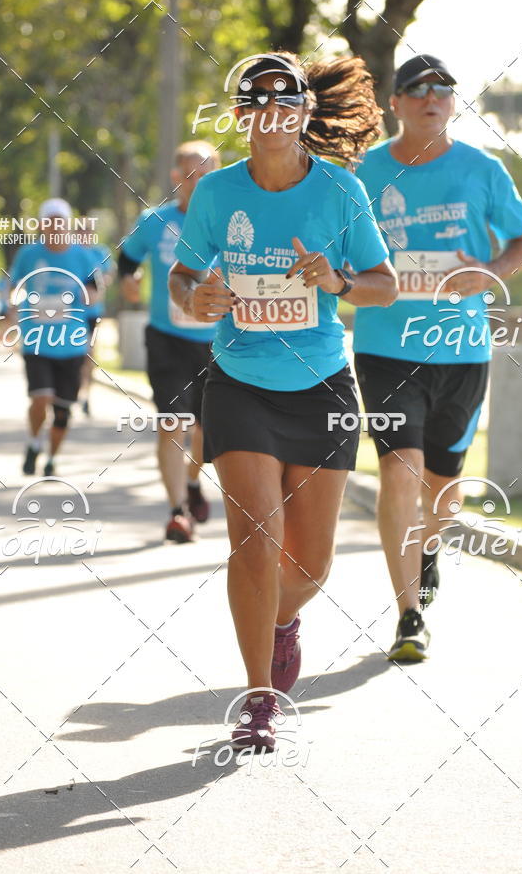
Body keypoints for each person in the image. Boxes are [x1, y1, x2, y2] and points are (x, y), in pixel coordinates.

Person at [170, 52, 397, 749]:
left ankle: (281, 622)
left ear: (303, 111)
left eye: (286, 96)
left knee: (309, 566)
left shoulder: (339, 191)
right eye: (257, 98)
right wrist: (197, 296)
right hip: (239, 381)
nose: (272, 108)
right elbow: (183, 279)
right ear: (240, 115)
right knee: (256, 546)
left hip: (324, 386)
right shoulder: (215, 193)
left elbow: (384, 284)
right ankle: (259, 697)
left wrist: (336, 280)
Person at [352, 54, 522, 661]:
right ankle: (409, 615)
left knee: (442, 485)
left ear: (453, 103)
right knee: (400, 470)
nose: (433, 98)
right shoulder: (364, 173)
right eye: (418, 89)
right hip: (384, 348)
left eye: (444, 90)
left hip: (461, 348)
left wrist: (488, 276)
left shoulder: (482, 170)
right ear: (395, 104)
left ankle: (429, 548)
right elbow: (341, 248)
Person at [118, 141, 220, 543]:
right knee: (172, 423)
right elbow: (127, 260)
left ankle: (193, 482)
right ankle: (178, 511)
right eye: (189, 173)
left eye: (205, 173)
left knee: (205, 431)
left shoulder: (229, 221)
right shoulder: (154, 220)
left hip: (217, 341)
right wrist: (129, 282)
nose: (196, 181)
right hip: (167, 338)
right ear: (176, 177)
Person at [9, 198, 99, 477]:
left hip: (71, 344)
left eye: (59, 221)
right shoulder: (29, 254)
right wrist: (10, 313)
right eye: (48, 222)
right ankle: (35, 442)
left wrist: (75, 300)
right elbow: (14, 288)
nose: (54, 227)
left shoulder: (83, 256)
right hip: (36, 340)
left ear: (67, 224)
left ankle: (50, 458)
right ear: (42, 225)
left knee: (62, 411)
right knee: (41, 398)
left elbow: (94, 293)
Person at [79, 222, 114, 416]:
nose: (84, 235)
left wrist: (96, 288)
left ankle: (86, 396)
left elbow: (108, 276)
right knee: (74, 355)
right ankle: (74, 391)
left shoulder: (100, 253)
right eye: (80, 232)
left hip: (93, 313)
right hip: (72, 314)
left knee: (89, 354)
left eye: (87, 232)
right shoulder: (71, 253)